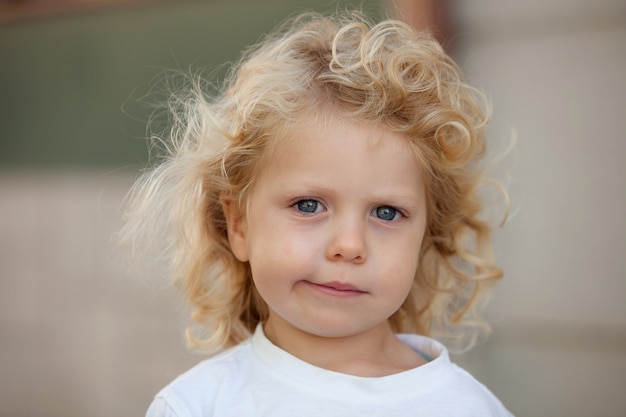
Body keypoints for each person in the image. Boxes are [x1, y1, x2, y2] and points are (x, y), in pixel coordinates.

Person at [121, 10, 513, 417]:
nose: (350, 245)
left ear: (426, 234)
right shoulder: (195, 406)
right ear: (238, 224)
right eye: (308, 206)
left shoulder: (468, 407)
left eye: (387, 212)